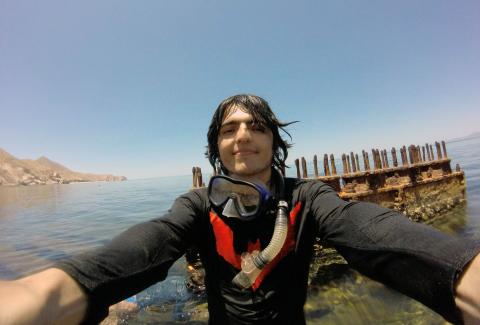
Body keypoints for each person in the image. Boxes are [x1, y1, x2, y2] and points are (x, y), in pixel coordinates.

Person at [1, 94, 480, 325]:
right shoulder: (195, 206)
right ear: (217, 148)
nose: (243, 135)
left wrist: (460, 276)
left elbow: (375, 233)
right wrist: (41, 294)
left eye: (255, 126)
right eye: (229, 130)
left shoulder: (307, 197)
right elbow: (141, 249)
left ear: (274, 141)